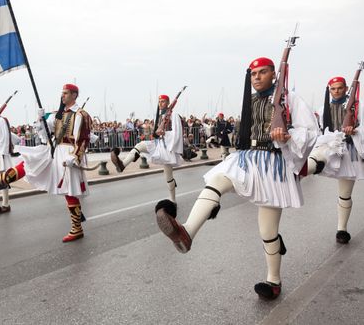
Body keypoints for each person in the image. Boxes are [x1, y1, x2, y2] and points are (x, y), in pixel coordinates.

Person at [154, 57, 318, 300]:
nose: (257, 77)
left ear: (274, 74)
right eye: (253, 74)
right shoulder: (249, 101)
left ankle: (273, 280)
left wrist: (287, 136)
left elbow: (310, 131)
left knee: (268, 231)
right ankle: (187, 232)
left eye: (263, 73)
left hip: (272, 163)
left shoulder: (289, 100)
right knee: (217, 179)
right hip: (247, 157)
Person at [0, 84, 92, 243]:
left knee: (69, 191)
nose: (62, 96)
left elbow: (83, 139)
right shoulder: (58, 114)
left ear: (74, 95)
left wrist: (75, 157)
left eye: (66, 93)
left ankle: (77, 228)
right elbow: (46, 134)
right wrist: (42, 121)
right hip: (53, 150)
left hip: (67, 154)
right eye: (62, 93)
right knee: (29, 163)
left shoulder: (81, 114)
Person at [306, 76, 364, 244]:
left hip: (349, 151)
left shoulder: (357, 107)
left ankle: (342, 229)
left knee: (345, 194)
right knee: (316, 159)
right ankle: (301, 171)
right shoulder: (323, 109)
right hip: (329, 148)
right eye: (333, 88)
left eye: (340, 88)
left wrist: (354, 131)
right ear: (329, 90)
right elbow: (320, 131)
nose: (336, 91)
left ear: (346, 89)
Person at [110, 94, 184, 203]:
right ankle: (122, 165)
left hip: (168, 148)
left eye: (163, 101)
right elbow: (156, 132)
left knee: (168, 177)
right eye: (159, 101)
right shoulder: (159, 116)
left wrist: (165, 133)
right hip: (158, 144)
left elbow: (177, 133)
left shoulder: (174, 115)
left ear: (168, 103)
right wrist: (154, 135)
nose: (160, 103)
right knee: (139, 146)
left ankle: (173, 200)